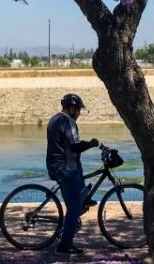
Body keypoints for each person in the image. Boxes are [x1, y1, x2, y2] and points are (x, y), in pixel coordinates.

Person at [46, 93, 99, 255]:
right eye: (78, 110)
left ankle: (74, 216)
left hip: (56, 165)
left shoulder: (54, 119)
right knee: (75, 206)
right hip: (65, 169)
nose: (79, 114)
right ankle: (65, 245)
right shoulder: (68, 122)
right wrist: (91, 143)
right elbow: (75, 146)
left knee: (77, 200)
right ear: (71, 108)